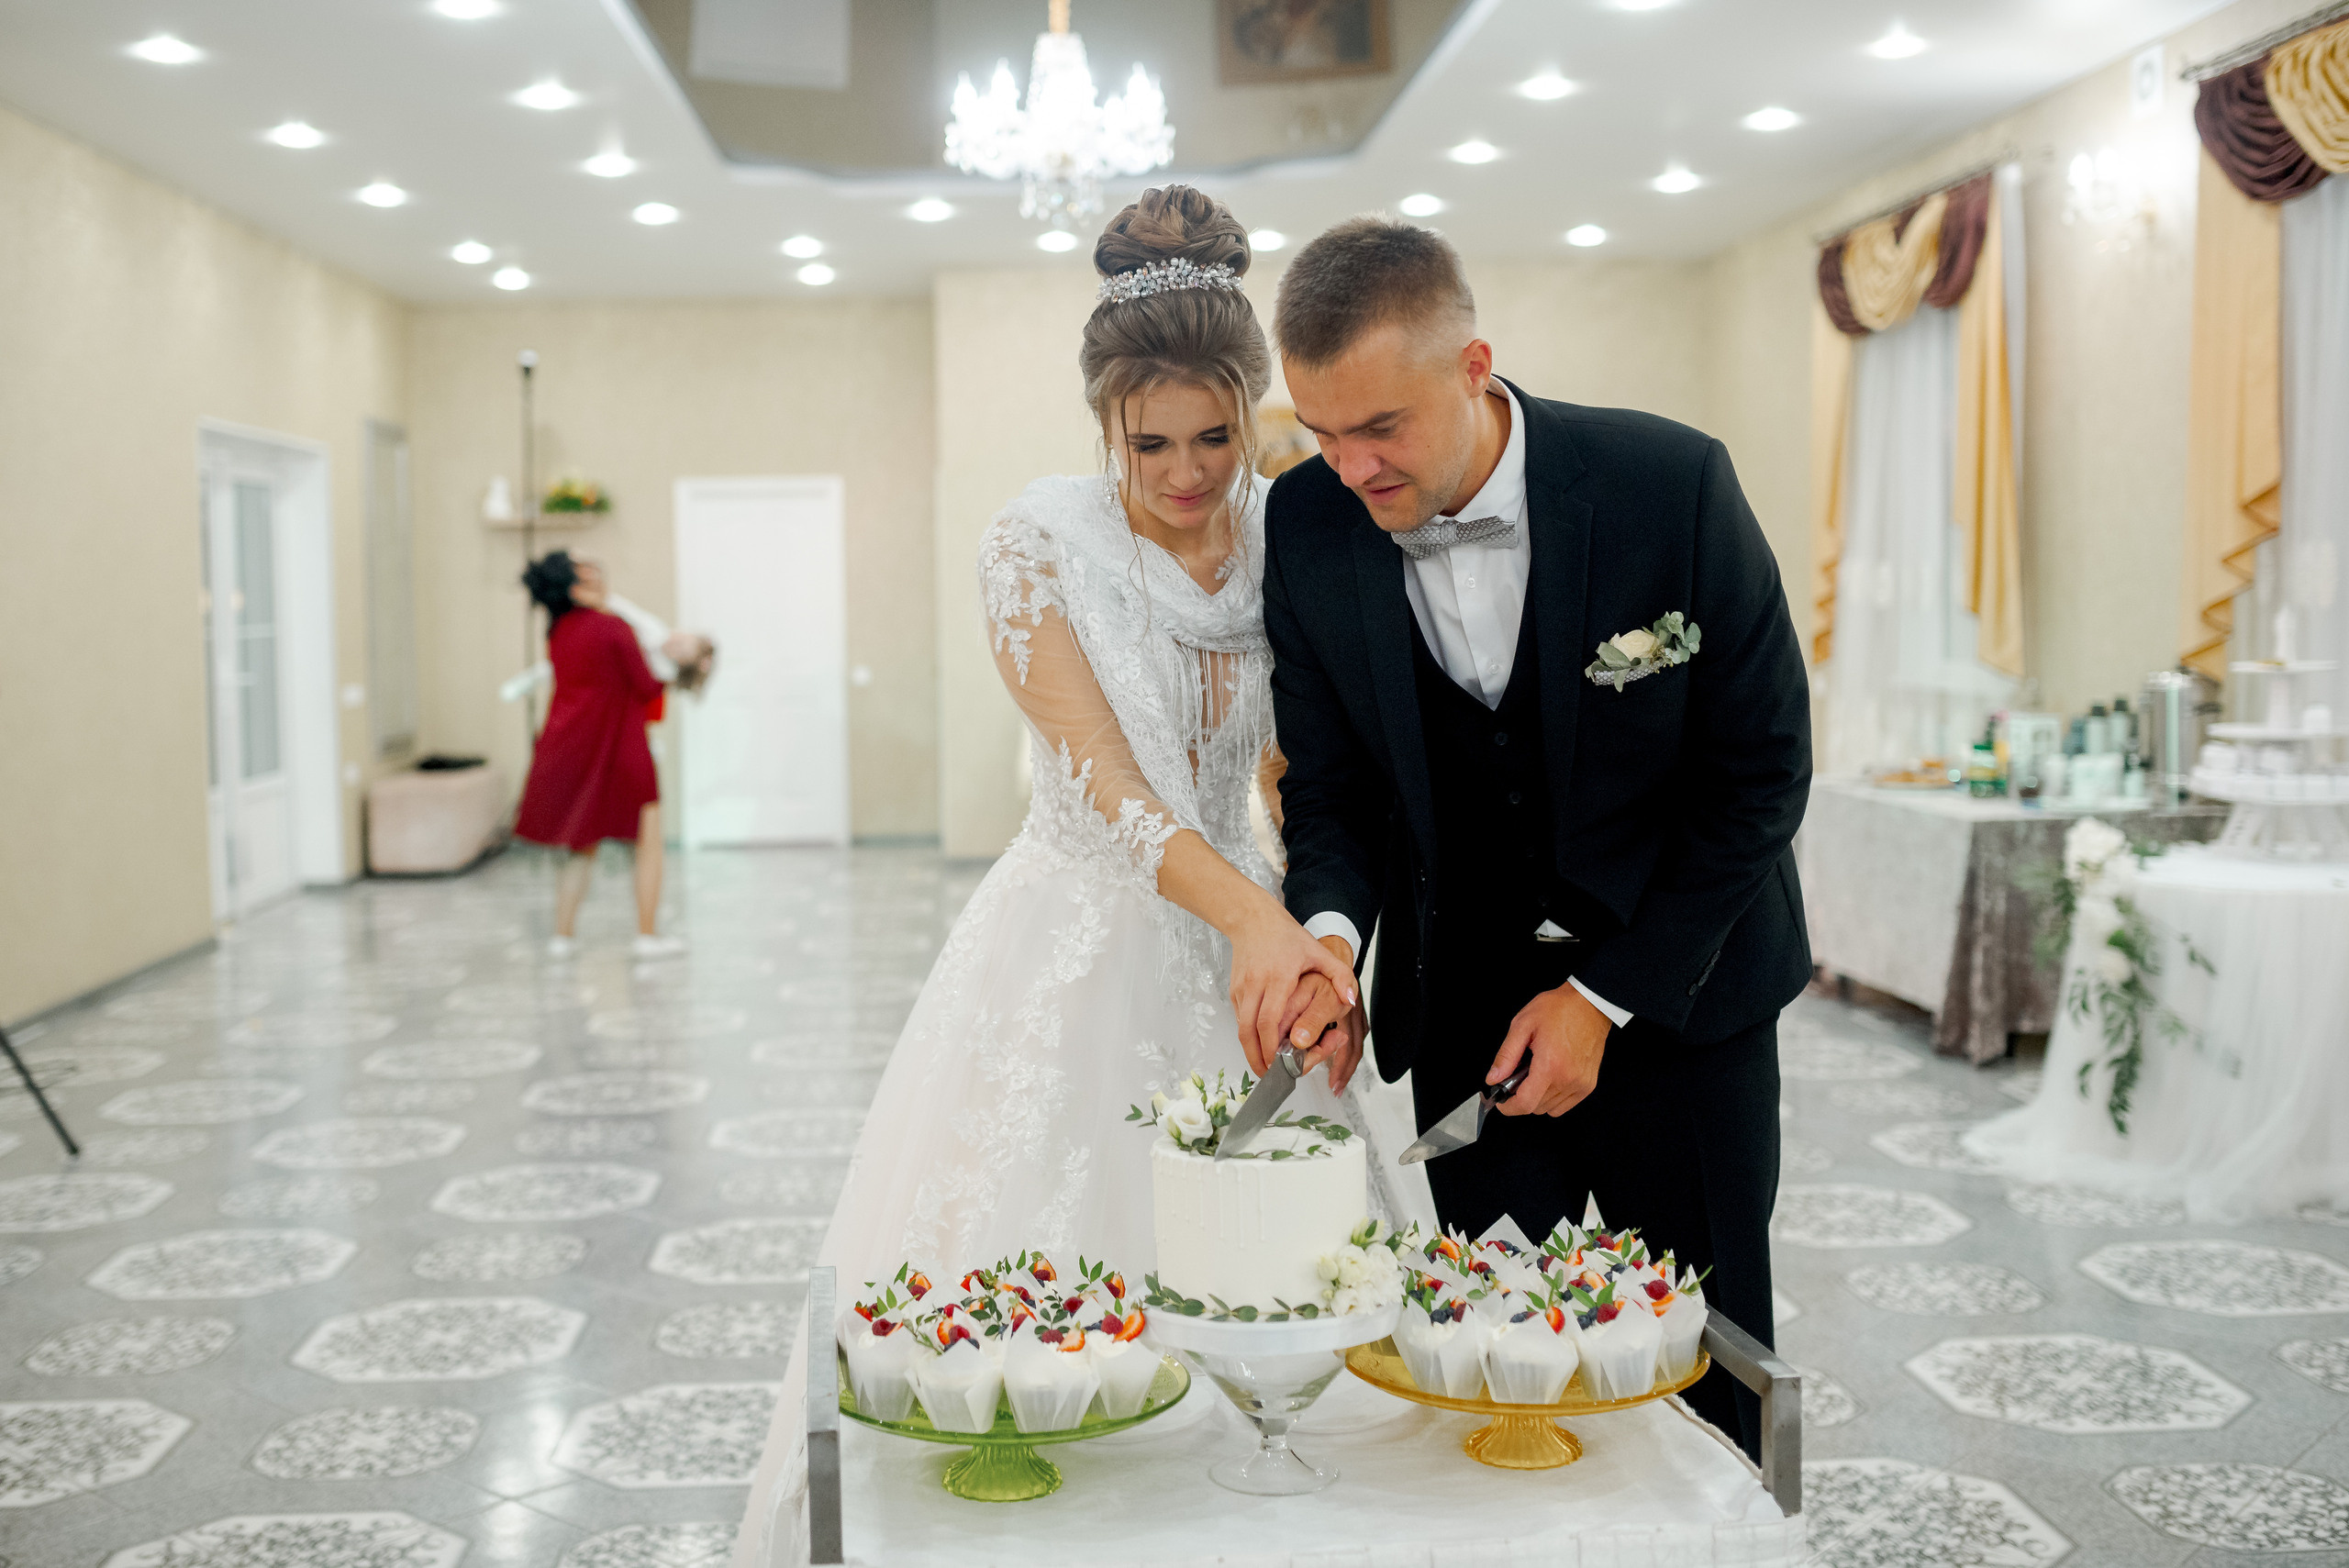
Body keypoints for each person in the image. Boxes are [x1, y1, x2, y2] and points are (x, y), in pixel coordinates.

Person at [730, 186, 1428, 1568]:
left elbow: (1310, 767)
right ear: (1102, 420)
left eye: (1215, 437)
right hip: (1078, 939)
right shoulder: (1038, 543)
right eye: (1147, 440)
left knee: (1277, 1255)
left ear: (1252, 409)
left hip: (1256, 935)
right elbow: (1111, 792)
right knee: (1061, 1297)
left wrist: (1320, 944)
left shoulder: (1295, 529)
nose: (1183, 470)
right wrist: (1262, 930)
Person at [1260, 215, 1813, 1459]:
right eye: (1319, 433)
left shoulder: (1670, 486)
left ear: (1474, 367)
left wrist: (1606, 996)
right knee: (1500, 1367)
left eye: (1380, 429)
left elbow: (1762, 773)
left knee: (1711, 1352)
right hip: (1465, 1023)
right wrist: (1330, 938)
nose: (1349, 470)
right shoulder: (1302, 527)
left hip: (1685, 1001)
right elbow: (1334, 790)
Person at [510, 550, 687, 960]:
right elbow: (647, 687)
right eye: (589, 577)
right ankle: (646, 937)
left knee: (581, 844)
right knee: (646, 844)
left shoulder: (558, 632)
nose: (600, 580)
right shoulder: (614, 628)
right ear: (574, 589)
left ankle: (563, 936)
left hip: (572, 746)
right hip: (621, 747)